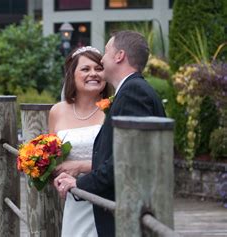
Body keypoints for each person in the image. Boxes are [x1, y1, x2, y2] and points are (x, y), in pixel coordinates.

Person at [55, 31, 166, 237]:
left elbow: (126, 161)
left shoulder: (134, 93)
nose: (102, 59)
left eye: (106, 52)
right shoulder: (131, 91)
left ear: (119, 56)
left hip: (129, 211)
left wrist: (79, 182)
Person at [49, 46, 110, 237]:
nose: (93, 73)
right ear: (72, 75)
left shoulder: (113, 110)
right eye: (85, 69)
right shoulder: (57, 111)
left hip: (105, 198)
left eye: (99, 68)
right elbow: (52, 157)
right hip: (73, 200)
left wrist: (81, 166)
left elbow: (119, 161)